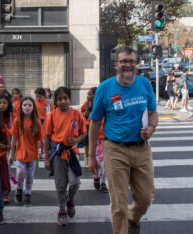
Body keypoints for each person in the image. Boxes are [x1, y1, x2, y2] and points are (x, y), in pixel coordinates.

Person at [88, 46, 158, 234]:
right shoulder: (105, 88)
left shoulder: (144, 84)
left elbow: (153, 113)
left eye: (132, 61)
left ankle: (133, 217)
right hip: (115, 150)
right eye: (124, 61)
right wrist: (92, 156)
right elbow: (94, 123)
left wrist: (151, 127)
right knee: (118, 203)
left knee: (146, 197)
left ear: (136, 65)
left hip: (141, 149)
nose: (128, 65)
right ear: (116, 65)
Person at [44, 86, 87, 226]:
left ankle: (70, 200)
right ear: (55, 101)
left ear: (70, 99)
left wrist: (78, 140)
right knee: (61, 184)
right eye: (59, 99)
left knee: (75, 182)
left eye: (65, 98)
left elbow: (83, 132)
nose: (63, 101)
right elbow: (47, 137)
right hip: (57, 154)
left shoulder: (77, 114)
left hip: (72, 153)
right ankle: (62, 210)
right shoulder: (51, 115)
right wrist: (45, 158)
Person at [9, 97, 42, 207]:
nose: (27, 107)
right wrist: (11, 154)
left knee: (30, 176)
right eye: (25, 105)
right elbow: (13, 138)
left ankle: (28, 194)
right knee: (20, 172)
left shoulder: (36, 121)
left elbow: (42, 139)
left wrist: (44, 154)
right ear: (21, 107)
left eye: (30, 105)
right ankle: (18, 189)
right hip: (20, 154)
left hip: (32, 154)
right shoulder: (17, 120)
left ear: (33, 107)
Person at [0, 94, 14, 204]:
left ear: (8, 105)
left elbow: (14, 132)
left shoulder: (11, 116)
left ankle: (5, 192)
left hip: (8, 146)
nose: (2, 105)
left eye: (4, 103)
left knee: (6, 169)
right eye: (0, 103)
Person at [80, 87, 97, 166]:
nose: (88, 96)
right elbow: (81, 112)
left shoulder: (97, 103)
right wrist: (84, 114)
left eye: (90, 94)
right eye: (87, 94)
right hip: (87, 124)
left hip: (96, 125)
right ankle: (86, 157)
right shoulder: (86, 103)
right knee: (87, 143)